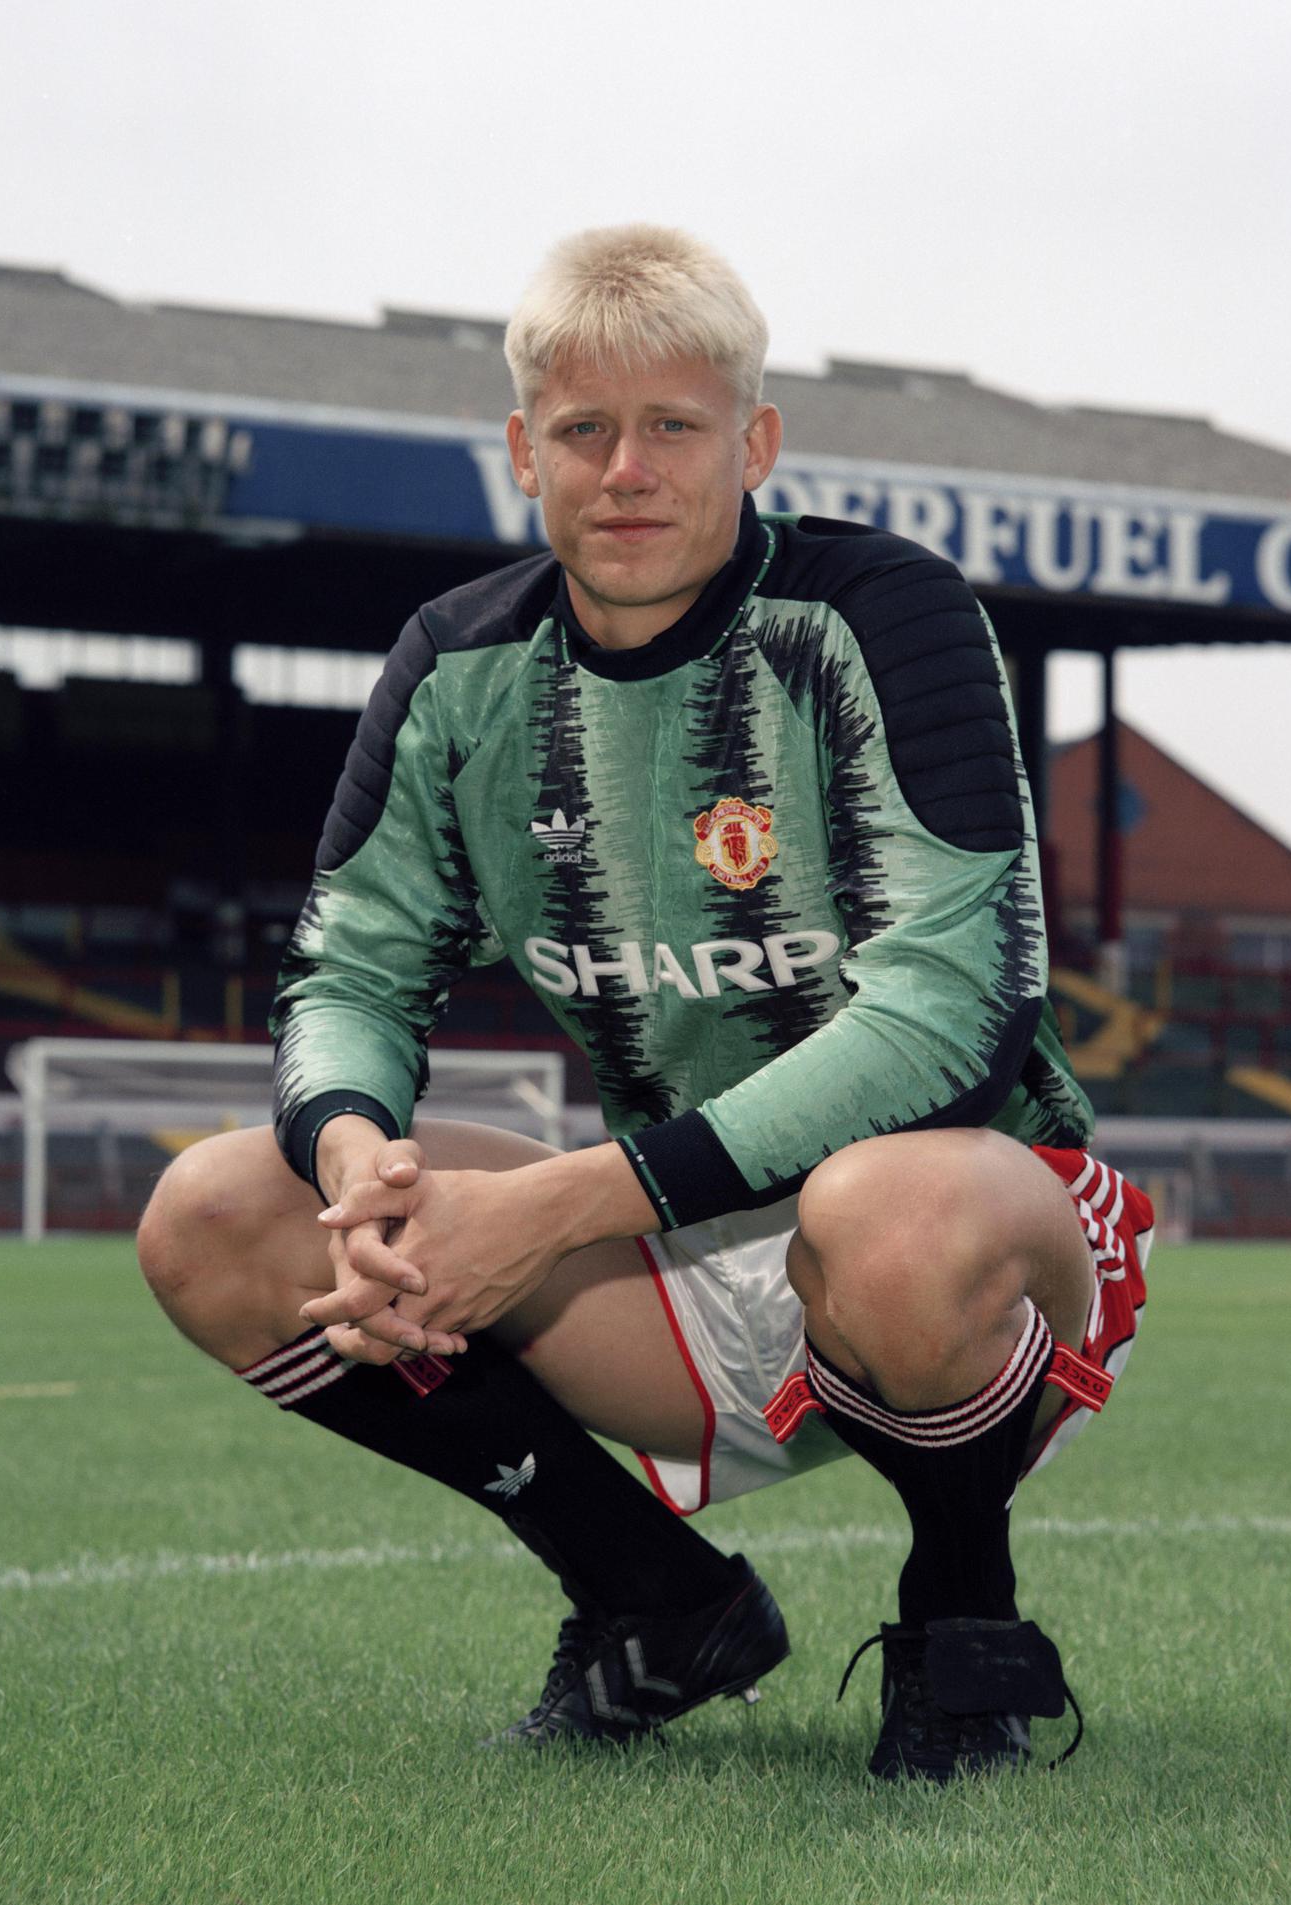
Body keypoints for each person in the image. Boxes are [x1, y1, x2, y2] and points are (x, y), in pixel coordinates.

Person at [137, 225, 1153, 1782]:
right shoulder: (457, 667)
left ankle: (966, 1623)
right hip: (682, 1255)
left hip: (978, 1246)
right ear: (519, 452)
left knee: (888, 1208)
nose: (627, 469)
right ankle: (655, 1601)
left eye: (674, 426)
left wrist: (559, 1204)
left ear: (752, 442)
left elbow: (956, 1019)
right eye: (582, 431)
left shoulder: (882, 613)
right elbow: (349, 972)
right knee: (216, 1212)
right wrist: (354, 1160)